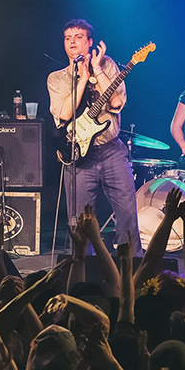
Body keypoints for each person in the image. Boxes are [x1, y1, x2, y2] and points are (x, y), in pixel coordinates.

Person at [47, 18, 141, 254]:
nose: (72, 43)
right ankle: (83, 274)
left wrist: (96, 69)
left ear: (90, 42)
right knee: (79, 222)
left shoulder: (107, 65)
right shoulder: (57, 78)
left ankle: (134, 268)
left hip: (111, 151)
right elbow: (65, 113)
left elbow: (116, 102)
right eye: (68, 39)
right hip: (79, 157)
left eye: (78, 38)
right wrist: (81, 76)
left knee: (128, 213)